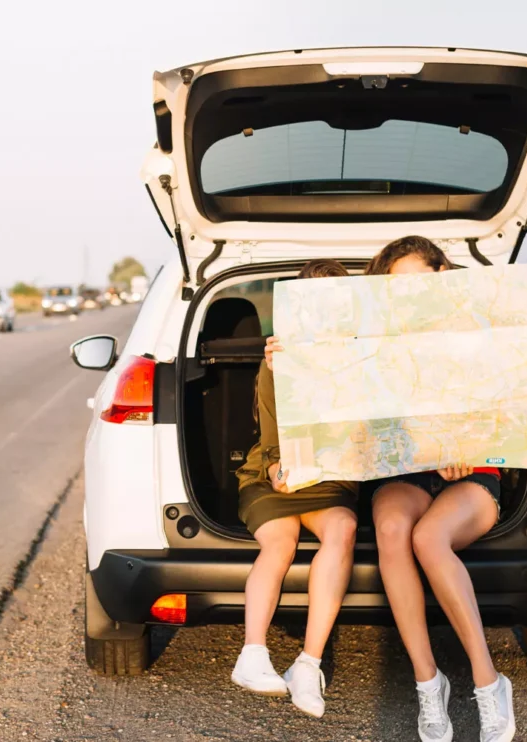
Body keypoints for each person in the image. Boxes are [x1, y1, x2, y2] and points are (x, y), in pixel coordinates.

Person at [268, 236, 527, 742]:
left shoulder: (484, 330)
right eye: (397, 289)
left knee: (429, 539)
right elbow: (332, 389)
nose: (409, 298)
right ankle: (430, 685)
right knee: (391, 527)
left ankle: (488, 682)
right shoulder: (374, 341)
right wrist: (290, 360)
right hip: (403, 474)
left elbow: (519, 395)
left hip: (472, 473)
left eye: (418, 284)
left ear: (443, 273)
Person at [231, 259, 358, 719]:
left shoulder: (361, 358)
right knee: (279, 543)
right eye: (313, 299)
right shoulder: (278, 356)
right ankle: (252, 654)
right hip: (276, 475)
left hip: (332, 480)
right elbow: (270, 434)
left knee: (342, 530)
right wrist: (277, 468)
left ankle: (309, 663)